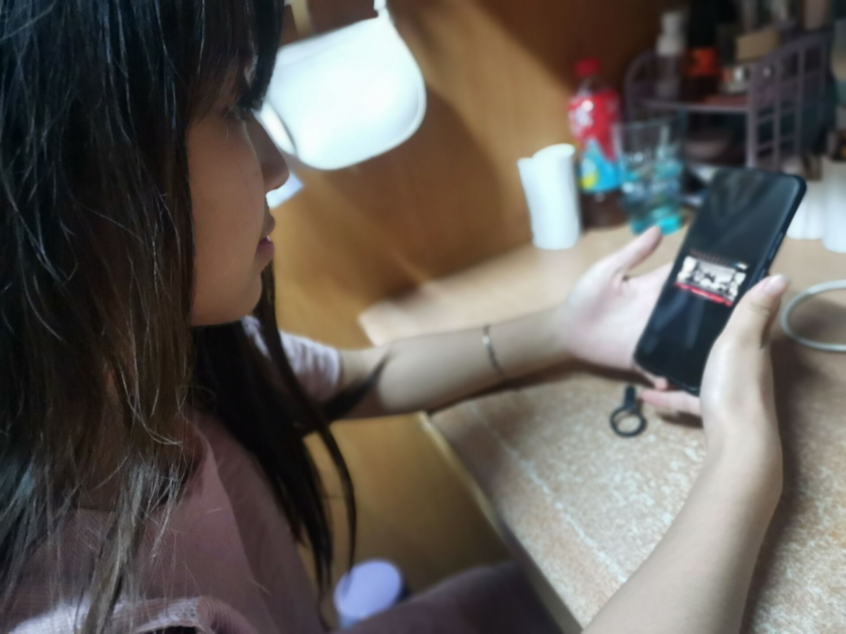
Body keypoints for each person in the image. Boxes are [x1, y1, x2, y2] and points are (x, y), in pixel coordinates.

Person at [0, 1, 788, 633]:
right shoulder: (85, 612)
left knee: (523, 591)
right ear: (69, 185)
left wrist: (565, 328)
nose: (275, 165)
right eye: (235, 107)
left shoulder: (159, 364)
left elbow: (357, 377)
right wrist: (745, 457)